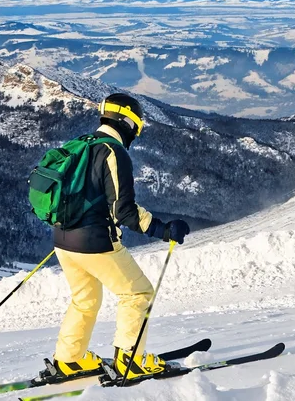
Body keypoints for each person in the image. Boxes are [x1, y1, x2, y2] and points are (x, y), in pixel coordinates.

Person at [44, 93, 190, 382]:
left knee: (84, 300)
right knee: (137, 293)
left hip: (62, 241)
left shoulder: (80, 145)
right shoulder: (113, 152)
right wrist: (163, 229)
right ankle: (130, 362)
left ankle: (69, 361)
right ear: (130, 122)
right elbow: (123, 211)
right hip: (95, 243)